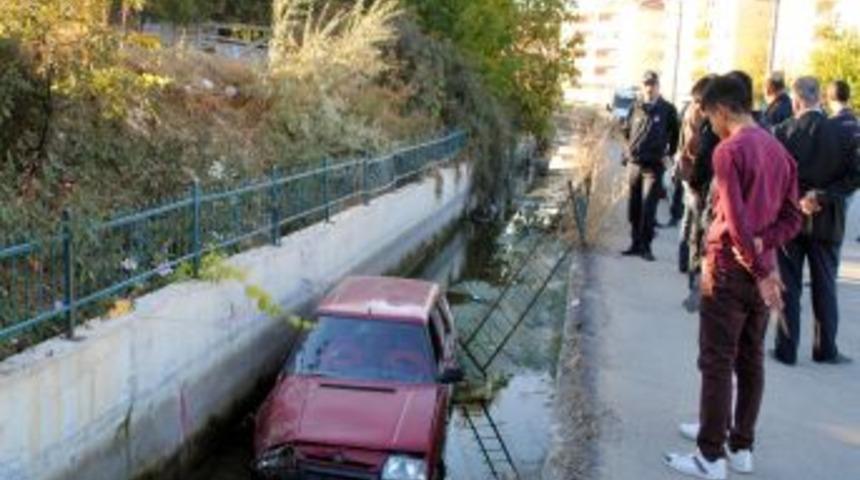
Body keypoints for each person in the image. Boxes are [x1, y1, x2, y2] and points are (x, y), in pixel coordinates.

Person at [664, 74, 802, 480]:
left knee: (717, 361)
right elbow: (793, 218)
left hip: (729, 270)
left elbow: (737, 225)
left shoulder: (729, 151)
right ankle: (740, 447)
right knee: (750, 360)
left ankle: (710, 455)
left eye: (710, 116)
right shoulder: (779, 151)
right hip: (762, 269)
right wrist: (765, 247)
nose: (711, 124)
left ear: (724, 110)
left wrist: (756, 263)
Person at [772, 77, 860, 365]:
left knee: (788, 283)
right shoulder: (840, 133)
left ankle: (786, 350)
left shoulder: (783, 131)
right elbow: (854, 176)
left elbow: (774, 177)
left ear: (796, 100)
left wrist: (799, 197)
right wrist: (821, 196)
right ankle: (825, 349)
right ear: (819, 97)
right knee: (825, 285)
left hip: (790, 219)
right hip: (827, 219)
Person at [622, 70, 680, 261]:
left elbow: (676, 135)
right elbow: (625, 131)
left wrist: (668, 154)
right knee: (634, 207)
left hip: (653, 167)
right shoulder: (635, 107)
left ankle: (646, 247)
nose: (649, 88)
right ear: (642, 86)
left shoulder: (667, 109)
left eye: (652, 84)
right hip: (634, 163)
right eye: (646, 84)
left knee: (648, 207)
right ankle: (635, 244)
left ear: (658, 86)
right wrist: (627, 151)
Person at [676, 75, 720, 312]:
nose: (698, 107)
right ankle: (694, 280)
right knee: (694, 229)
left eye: (700, 102)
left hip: (705, 189)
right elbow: (685, 144)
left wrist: (693, 180)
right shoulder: (699, 117)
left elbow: (701, 156)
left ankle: (698, 286)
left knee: (699, 233)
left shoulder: (712, 125)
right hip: (698, 184)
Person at [825, 81, 860, 244]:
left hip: (836, 186)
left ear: (829, 98)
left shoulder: (831, 125)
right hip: (851, 183)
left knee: (832, 238)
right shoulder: (856, 123)